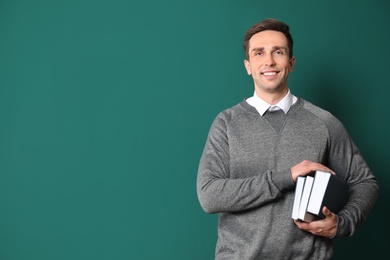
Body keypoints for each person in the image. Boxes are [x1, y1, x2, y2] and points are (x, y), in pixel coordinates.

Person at [196, 18, 379, 259]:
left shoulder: (324, 122)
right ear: (248, 65)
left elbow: (364, 182)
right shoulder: (227, 123)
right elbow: (209, 195)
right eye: (259, 53)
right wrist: (286, 177)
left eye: (278, 52)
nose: (269, 61)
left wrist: (343, 223)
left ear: (291, 63)